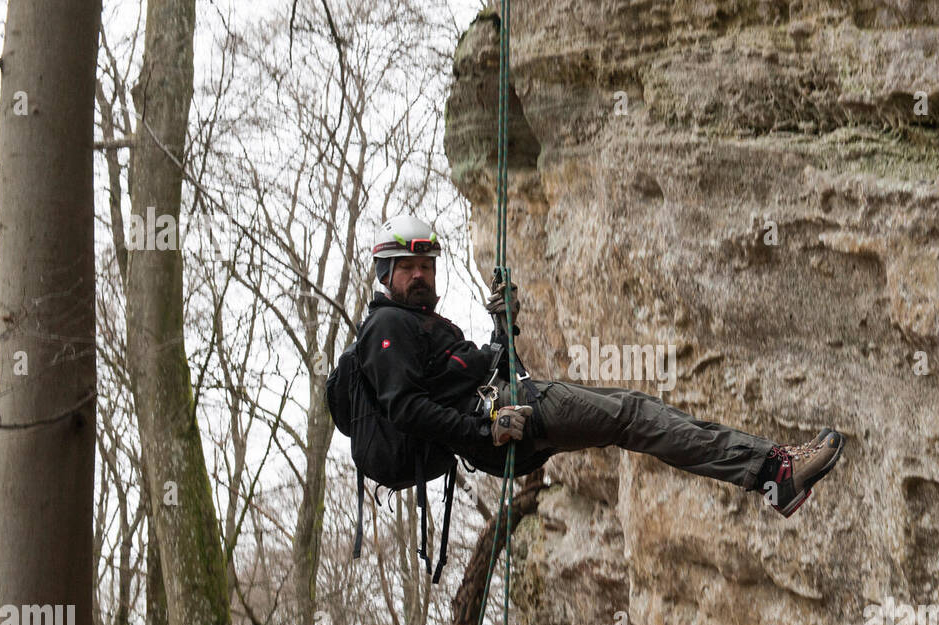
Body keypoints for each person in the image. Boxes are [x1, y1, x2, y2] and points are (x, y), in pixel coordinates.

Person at [355, 213, 846, 518]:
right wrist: (486, 430)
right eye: (407, 268)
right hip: (505, 419)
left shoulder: (425, 326)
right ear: (386, 275)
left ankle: (770, 471)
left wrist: (504, 328)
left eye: (427, 267)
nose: (421, 275)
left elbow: (482, 376)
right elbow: (406, 409)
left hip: (511, 411)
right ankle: (773, 472)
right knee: (632, 415)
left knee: (632, 414)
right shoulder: (388, 325)